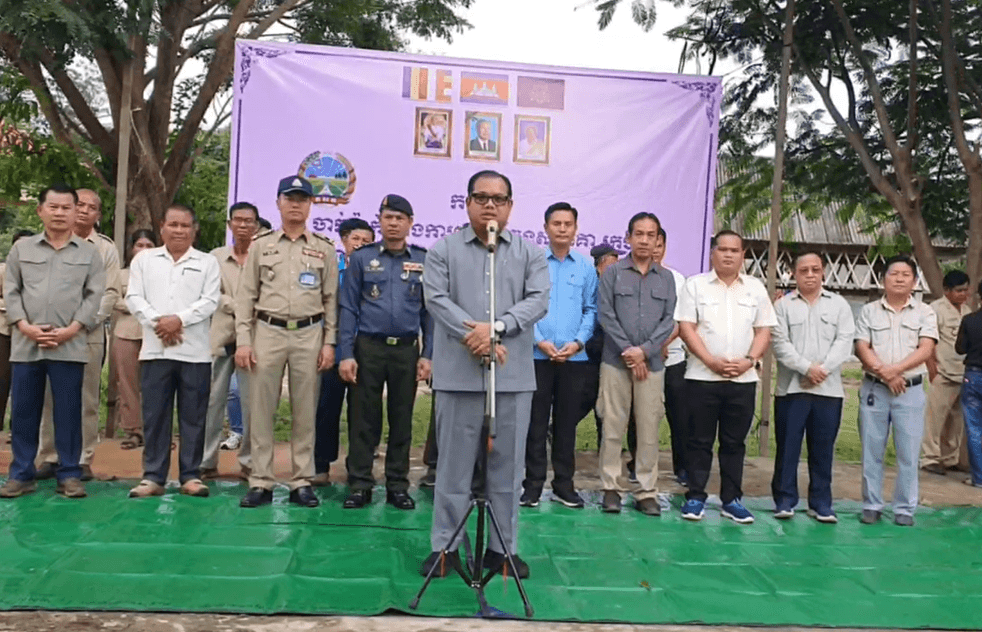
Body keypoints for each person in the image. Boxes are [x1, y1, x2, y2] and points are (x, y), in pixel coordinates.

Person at [420, 170, 549, 579]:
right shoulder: (442, 250)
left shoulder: (530, 254)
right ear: (467, 203)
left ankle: (502, 550)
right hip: (458, 376)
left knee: (508, 471)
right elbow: (436, 299)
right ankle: (446, 548)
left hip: (512, 381)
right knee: (453, 469)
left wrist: (497, 328)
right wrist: (474, 334)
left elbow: (539, 300)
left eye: (498, 198)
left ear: (510, 205)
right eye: (481, 197)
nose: (489, 204)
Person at [235, 176, 339, 508]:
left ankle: (301, 480)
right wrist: (243, 340)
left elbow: (331, 299)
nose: (295, 204)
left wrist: (329, 342)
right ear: (278, 202)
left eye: (302, 198)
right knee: (261, 408)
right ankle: (261, 480)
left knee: (305, 409)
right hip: (267, 330)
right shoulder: (261, 245)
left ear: (310, 205)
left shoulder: (323, 247)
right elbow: (246, 295)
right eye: (289, 198)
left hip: (310, 333)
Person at [0, 184, 105, 499]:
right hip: (25, 343)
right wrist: (24, 326)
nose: (60, 213)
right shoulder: (22, 250)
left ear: (76, 212)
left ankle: (69, 474)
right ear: (40, 211)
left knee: (69, 411)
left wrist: (73, 328)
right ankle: (21, 474)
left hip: (69, 344)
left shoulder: (89, 253)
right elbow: (12, 289)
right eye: (54, 207)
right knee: (24, 411)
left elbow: (93, 294)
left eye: (66, 207)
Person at [337, 195, 433, 509]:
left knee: (402, 418)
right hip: (368, 348)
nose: (393, 223)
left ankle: (397, 485)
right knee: (364, 417)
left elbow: (428, 313)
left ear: (410, 223)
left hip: (406, 349)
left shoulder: (423, 259)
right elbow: (348, 308)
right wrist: (345, 353)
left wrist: (428, 353)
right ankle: (361, 484)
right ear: (380, 220)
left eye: (399, 218)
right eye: (388, 217)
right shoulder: (362, 258)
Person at [677, 230, 776, 524]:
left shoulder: (755, 288)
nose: (729, 255)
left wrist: (749, 361)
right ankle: (696, 497)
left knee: (734, 443)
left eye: (735, 250)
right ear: (712, 253)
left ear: (743, 255)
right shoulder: (695, 286)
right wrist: (710, 361)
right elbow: (686, 327)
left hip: (742, 381)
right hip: (702, 378)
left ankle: (732, 500)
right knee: (699, 441)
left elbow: (764, 330)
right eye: (723, 249)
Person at [126, 205, 220, 498]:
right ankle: (153, 476)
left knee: (193, 416)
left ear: (194, 230)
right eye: (173, 225)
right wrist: (159, 322)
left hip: (194, 352)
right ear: (161, 226)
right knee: (155, 416)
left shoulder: (207, 262)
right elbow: (133, 297)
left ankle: (191, 476)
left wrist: (178, 320)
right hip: (156, 351)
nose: (179, 230)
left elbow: (210, 301)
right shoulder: (145, 261)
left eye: (185, 225)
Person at [35, 188, 120, 481]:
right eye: (79, 205)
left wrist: (82, 324)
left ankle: (83, 457)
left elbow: (110, 292)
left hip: (88, 333)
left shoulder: (105, 249)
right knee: (49, 395)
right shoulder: (44, 244)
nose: (84, 211)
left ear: (98, 215)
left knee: (86, 398)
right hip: (49, 332)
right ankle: (49, 456)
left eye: (91, 207)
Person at [596, 212, 676, 516]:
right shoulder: (613, 273)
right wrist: (630, 352)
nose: (644, 240)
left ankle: (646, 491)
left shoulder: (666, 278)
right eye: (638, 234)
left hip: (651, 366)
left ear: (658, 240)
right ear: (628, 237)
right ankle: (611, 488)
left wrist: (643, 352)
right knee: (613, 427)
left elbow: (667, 322)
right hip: (615, 363)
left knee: (648, 430)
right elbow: (606, 316)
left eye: (650, 234)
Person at [521, 202, 597, 510]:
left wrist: (578, 342)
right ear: (546, 228)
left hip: (573, 359)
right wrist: (540, 342)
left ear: (576, 229)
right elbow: (523, 307)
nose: (562, 229)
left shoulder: (585, 267)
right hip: (537, 357)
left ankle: (564, 485)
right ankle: (532, 486)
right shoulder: (533, 263)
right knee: (536, 423)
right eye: (556, 224)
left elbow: (592, 310)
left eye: (568, 224)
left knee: (566, 425)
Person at [770, 251, 855, 523]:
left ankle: (821, 503)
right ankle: (784, 500)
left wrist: (822, 371)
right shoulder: (783, 306)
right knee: (788, 448)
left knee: (822, 449)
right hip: (792, 390)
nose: (810, 275)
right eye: (803, 270)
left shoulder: (839, 305)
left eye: (815, 270)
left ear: (823, 273)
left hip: (828, 392)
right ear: (794, 274)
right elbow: (780, 344)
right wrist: (807, 369)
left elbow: (844, 342)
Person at [854, 254, 937, 526]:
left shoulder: (925, 312)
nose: (900, 279)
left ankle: (904, 508)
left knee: (908, 453)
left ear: (914, 281)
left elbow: (926, 348)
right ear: (883, 279)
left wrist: (895, 370)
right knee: (871, 450)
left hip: (910, 391)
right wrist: (885, 373)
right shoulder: (869, 311)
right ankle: (871, 504)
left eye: (905, 275)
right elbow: (862, 346)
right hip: (875, 389)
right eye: (894, 274)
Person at [313, 217, 374, 486]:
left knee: (363, 413)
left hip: (365, 350)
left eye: (366, 242)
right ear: (344, 241)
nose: (360, 245)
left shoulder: (374, 272)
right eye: (356, 239)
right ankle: (320, 465)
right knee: (326, 408)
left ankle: (358, 466)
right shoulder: (330, 270)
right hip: (333, 348)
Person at [200, 202, 259, 480]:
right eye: (238, 220)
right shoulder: (215, 257)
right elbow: (210, 292)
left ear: (256, 226)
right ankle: (206, 460)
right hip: (221, 336)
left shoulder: (263, 255)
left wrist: (246, 308)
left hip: (255, 340)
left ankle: (248, 463)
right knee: (212, 400)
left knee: (251, 403)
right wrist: (239, 306)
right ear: (230, 224)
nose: (243, 226)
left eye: (249, 221)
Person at [921, 270, 972, 476]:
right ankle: (930, 458)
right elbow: (928, 342)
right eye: (959, 290)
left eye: (965, 290)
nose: (963, 294)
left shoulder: (967, 311)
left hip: (963, 373)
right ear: (946, 291)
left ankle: (949, 459)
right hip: (942, 372)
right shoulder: (935, 310)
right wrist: (932, 369)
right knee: (934, 419)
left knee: (956, 420)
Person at [112, 229, 157, 449]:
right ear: (131, 249)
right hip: (126, 333)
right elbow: (114, 300)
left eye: (149, 246)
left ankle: (154, 431)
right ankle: (132, 430)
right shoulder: (121, 275)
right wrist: (141, 306)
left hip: (156, 334)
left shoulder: (164, 274)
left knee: (155, 383)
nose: (144, 250)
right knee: (127, 383)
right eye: (140, 245)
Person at [652, 226, 689, 485]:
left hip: (674, 358)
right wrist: (650, 347)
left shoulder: (678, 280)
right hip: (643, 359)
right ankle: (638, 465)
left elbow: (682, 319)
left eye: (658, 243)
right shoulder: (628, 276)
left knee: (680, 416)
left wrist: (664, 342)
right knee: (642, 417)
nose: (653, 248)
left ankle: (683, 468)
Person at [0, 230, 36, 435]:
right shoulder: (4, 269)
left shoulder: (40, 270)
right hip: (5, 330)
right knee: (2, 379)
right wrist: (14, 307)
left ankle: (19, 430)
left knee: (26, 383)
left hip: (31, 335)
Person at [583, 244, 619, 446]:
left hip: (611, 351)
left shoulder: (617, 287)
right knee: (590, 396)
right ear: (600, 265)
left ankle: (604, 444)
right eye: (611, 264)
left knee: (606, 402)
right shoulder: (592, 286)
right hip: (592, 350)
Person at [956, 281, 982, 488]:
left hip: (973, 375)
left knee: (974, 428)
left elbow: (960, 349)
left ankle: (979, 478)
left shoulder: (969, 320)